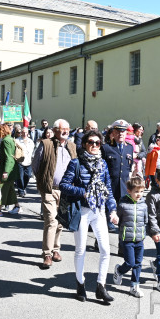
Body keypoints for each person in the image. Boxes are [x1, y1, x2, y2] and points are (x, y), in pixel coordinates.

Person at [59, 130, 118, 303]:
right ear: (84, 144)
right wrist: (83, 192)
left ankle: (101, 286)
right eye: (90, 142)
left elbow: (108, 190)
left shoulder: (103, 164)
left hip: (98, 211)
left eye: (97, 143)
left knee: (106, 250)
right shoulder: (76, 163)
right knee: (81, 250)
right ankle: (80, 284)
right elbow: (63, 185)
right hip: (82, 211)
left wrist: (113, 211)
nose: (94, 145)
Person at [33, 118, 77, 269]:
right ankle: (47, 254)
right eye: (62, 129)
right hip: (49, 189)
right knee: (51, 220)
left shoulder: (72, 146)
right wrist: (43, 181)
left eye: (67, 129)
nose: (66, 131)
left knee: (60, 222)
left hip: (66, 190)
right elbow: (35, 165)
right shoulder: (46, 144)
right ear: (55, 130)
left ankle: (56, 249)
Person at [113, 176, 148, 298]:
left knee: (138, 263)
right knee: (130, 262)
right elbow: (119, 220)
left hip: (139, 239)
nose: (139, 194)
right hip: (127, 239)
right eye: (136, 192)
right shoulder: (123, 204)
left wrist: (144, 233)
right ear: (129, 191)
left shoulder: (144, 205)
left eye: (142, 191)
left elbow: (145, 221)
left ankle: (134, 285)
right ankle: (119, 271)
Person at [101, 119, 134, 231]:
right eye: (118, 131)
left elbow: (129, 167)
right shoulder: (106, 148)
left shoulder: (129, 147)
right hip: (109, 185)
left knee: (122, 213)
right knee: (106, 212)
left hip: (123, 185)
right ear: (113, 133)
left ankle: (122, 242)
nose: (121, 134)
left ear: (126, 133)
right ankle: (99, 241)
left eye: (123, 131)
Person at [0, 123, 21, 215]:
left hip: (8, 169)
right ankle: (17, 206)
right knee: (10, 189)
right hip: (12, 168)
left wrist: (6, 171)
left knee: (2, 188)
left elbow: (8, 157)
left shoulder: (5, 140)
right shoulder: (10, 139)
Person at [14, 127, 35, 197]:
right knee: (20, 177)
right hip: (20, 162)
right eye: (23, 132)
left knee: (28, 176)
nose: (24, 134)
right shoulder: (17, 141)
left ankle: (23, 187)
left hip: (28, 162)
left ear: (28, 133)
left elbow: (32, 151)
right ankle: (21, 191)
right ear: (21, 133)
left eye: (26, 132)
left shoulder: (30, 141)